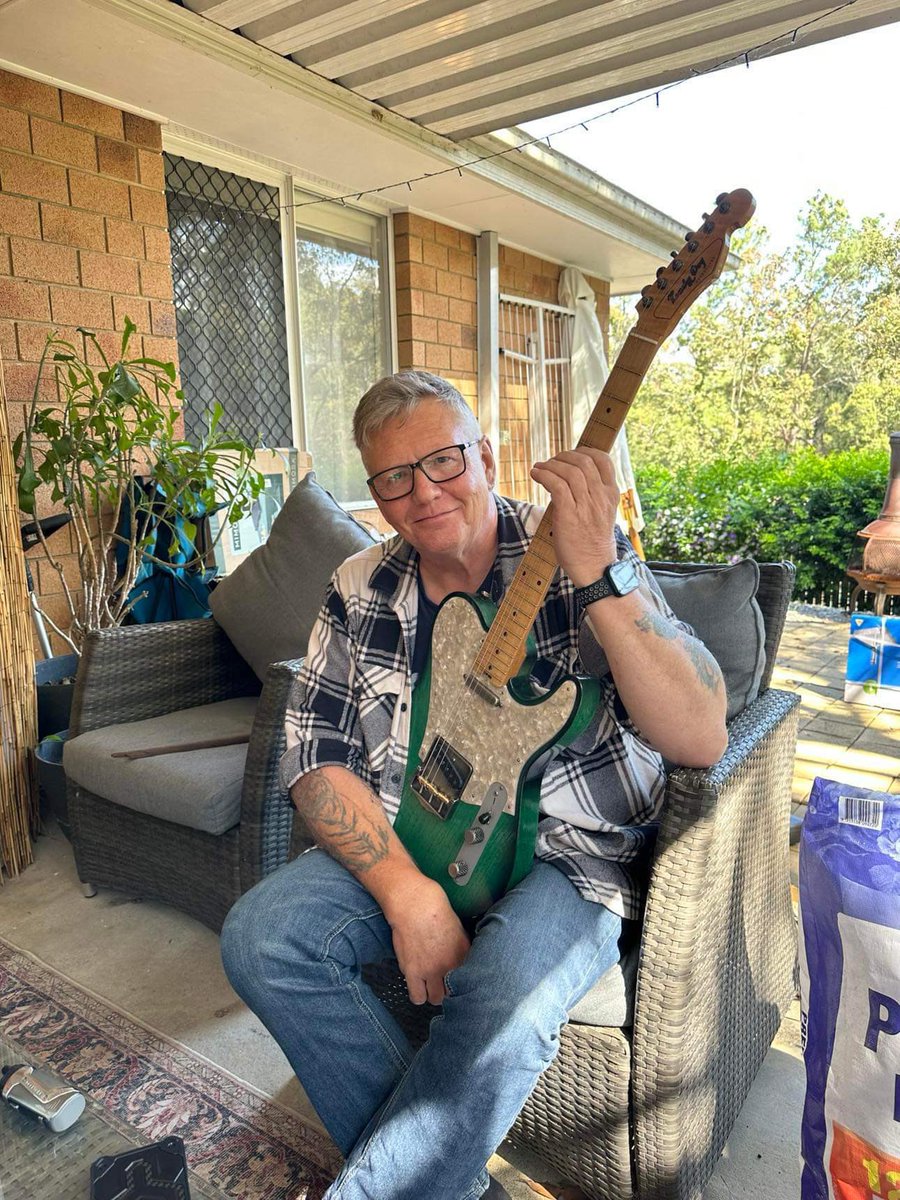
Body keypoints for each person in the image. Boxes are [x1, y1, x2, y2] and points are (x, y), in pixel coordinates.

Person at [221, 370, 728, 1200]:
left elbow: (703, 736)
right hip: (409, 828)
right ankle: (448, 1183)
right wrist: (407, 894)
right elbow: (315, 761)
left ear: (486, 456)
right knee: (261, 938)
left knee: (503, 994)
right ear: (376, 492)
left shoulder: (582, 546)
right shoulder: (359, 586)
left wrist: (600, 574)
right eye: (394, 476)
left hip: (568, 854)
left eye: (445, 461)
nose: (423, 493)